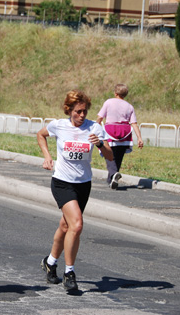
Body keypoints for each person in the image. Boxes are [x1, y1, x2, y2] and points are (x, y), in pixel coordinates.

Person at [36, 90, 113, 292]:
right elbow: (41, 135)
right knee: (76, 224)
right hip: (62, 182)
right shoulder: (58, 125)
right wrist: (47, 156)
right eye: (78, 111)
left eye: (85, 112)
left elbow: (110, 157)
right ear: (69, 110)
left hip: (83, 184)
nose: (81, 116)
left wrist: (101, 144)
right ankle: (69, 272)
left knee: (65, 225)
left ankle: (50, 262)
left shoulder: (95, 128)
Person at [96, 84, 144, 190]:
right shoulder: (129, 106)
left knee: (108, 154)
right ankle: (112, 179)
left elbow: (100, 118)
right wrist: (139, 138)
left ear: (115, 93)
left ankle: (113, 174)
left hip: (110, 130)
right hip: (125, 132)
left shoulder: (108, 102)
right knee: (118, 156)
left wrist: (95, 129)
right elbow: (134, 123)